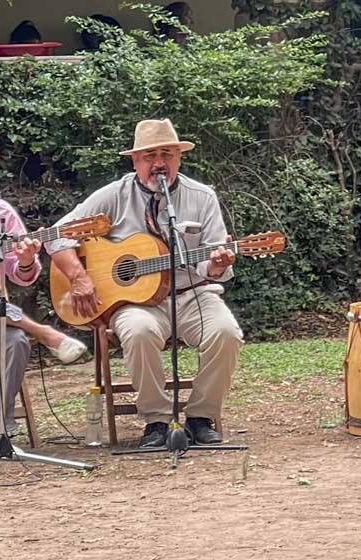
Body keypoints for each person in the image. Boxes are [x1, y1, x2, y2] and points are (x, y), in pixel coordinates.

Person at [46, 119, 243, 448]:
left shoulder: (202, 196)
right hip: (135, 303)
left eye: (167, 154)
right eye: (150, 156)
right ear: (135, 161)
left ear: (179, 158)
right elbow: (56, 235)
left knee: (227, 334)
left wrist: (217, 263)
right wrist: (79, 277)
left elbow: (210, 261)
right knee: (138, 332)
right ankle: (157, 420)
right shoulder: (113, 195)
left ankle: (200, 417)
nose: (159, 163)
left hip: (193, 293)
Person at [0, 131, 87, 452]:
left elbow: (22, 278)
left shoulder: (1, 213)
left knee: (15, 340)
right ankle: (45, 333)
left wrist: (24, 261)